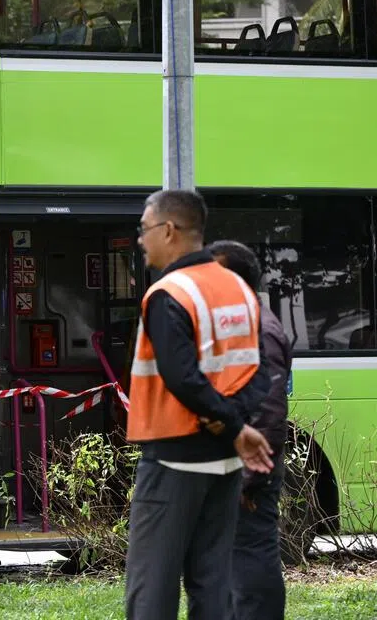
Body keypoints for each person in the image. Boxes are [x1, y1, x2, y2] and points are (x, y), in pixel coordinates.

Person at [124, 189, 274, 620]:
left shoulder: (168, 292)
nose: (141, 239)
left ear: (169, 230)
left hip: (173, 458)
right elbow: (260, 370)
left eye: (144, 229)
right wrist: (235, 424)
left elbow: (181, 377)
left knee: (152, 586)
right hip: (225, 462)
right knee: (213, 584)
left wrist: (229, 425)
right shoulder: (239, 288)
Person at [210, 240, 291, 620]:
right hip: (237, 467)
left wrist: (248, 479)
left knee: (251, 555)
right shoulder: (243, 322)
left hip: (249, 473)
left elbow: (267, 413)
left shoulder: (259, 328)